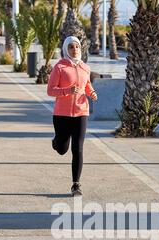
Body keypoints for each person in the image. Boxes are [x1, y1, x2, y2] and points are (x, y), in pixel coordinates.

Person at [47, 36, 98, 197]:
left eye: (76, 46)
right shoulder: (59, 67)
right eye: (71, 47)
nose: (74, 49)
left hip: (81, 112)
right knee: (62, 149)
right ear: (65, 49)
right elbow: (50, 90)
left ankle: (76, 185)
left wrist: (92, 93)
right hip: (61, 114)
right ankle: (56, 142)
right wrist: (67, 91)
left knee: (78, 148)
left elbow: (86, 85)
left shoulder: (85, 67)